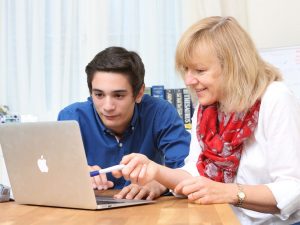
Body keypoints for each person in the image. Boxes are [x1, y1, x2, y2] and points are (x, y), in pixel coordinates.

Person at [113, 16, 300, 224]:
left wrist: (229, 193)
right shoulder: (206, 108)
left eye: (200, 71)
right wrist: (156, 170)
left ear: (233, 67)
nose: (188, 81)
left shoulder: (275, 97)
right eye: (186, 69)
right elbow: (196, 173)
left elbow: (293, 188)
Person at [58, 46, 190, 200]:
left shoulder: (160, 113)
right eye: (99, 94)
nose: (108, 106)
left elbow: (186, 169)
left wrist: (159, 183)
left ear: (139, 93)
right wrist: (74, 174)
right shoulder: (71, 117)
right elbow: (53, 173)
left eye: (118, 95)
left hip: (148, 212)